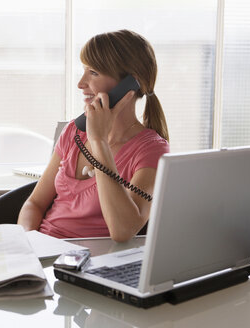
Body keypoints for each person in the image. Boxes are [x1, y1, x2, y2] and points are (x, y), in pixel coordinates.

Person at [17, 29, 170, 242]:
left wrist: (98, 141)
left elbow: (123, 231)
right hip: (43, 251)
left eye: (94, 73)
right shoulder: (73, 132)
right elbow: (34, 204)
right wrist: (27, 243)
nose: (81, 83)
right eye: (84, 71)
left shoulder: (151, 150)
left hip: (90, 264)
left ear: (130, 84)